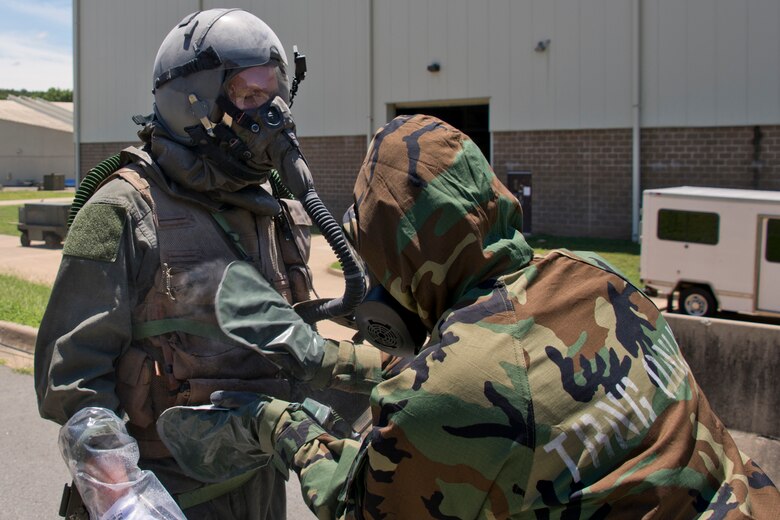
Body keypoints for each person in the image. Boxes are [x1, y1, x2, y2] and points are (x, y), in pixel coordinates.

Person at [157, 114, 780, 519]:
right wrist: (330, 358)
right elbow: (496, 370)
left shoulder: (446, 393)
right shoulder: (599, 276)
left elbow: (358, 504)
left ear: (403, 255)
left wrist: (284, 426)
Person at [34, 8, 383, 519]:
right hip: (170, 497)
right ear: (192, 102)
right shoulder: (124, 210)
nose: (273, 115)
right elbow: (72, 382)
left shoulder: (270, 206)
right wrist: (123, 499)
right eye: (247, 96)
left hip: (261, 489)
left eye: (274, 94)